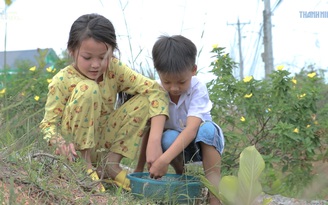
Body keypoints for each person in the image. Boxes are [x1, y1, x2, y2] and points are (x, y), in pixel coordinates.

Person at [39, 13, 169, 193]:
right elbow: (47, 124)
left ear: (112, 52)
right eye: (87, 57)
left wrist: (154, 141)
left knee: (147, 97)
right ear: (72, 51)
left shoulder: (115, 69)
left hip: (103, 142)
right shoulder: (62, 80)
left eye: (103, 57)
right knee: (88, 88)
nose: (96, 65)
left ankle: (110, 164)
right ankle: (84, 167)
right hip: (74, 151)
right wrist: (59, 141)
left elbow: (156, 90)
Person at [135, 35, 225, 205]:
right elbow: (150, 132)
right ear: (157, 72)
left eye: (181, 82)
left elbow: (191, 130)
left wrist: (162, 161)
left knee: (207, 130)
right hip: (178, 149)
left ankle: (215, 196)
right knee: (167, 137)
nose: (174, 88)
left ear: (193, 70)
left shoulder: (197, 89)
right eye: (167, 81)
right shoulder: (156, 90)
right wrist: (139, 169)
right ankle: (183, 179)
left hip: (203, 144)